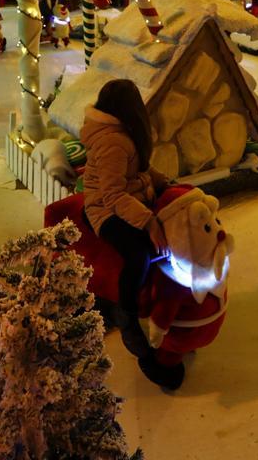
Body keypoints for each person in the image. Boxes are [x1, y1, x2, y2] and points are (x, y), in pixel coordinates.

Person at [81, 79, 170, 357]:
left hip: (127, 199)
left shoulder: (124, 132)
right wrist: (148, 221)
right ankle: (127, 314)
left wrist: (165, 183)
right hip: (103, 209)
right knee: (139, 254)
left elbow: (140, 169)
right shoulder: (113, 141)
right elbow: (112, 196)